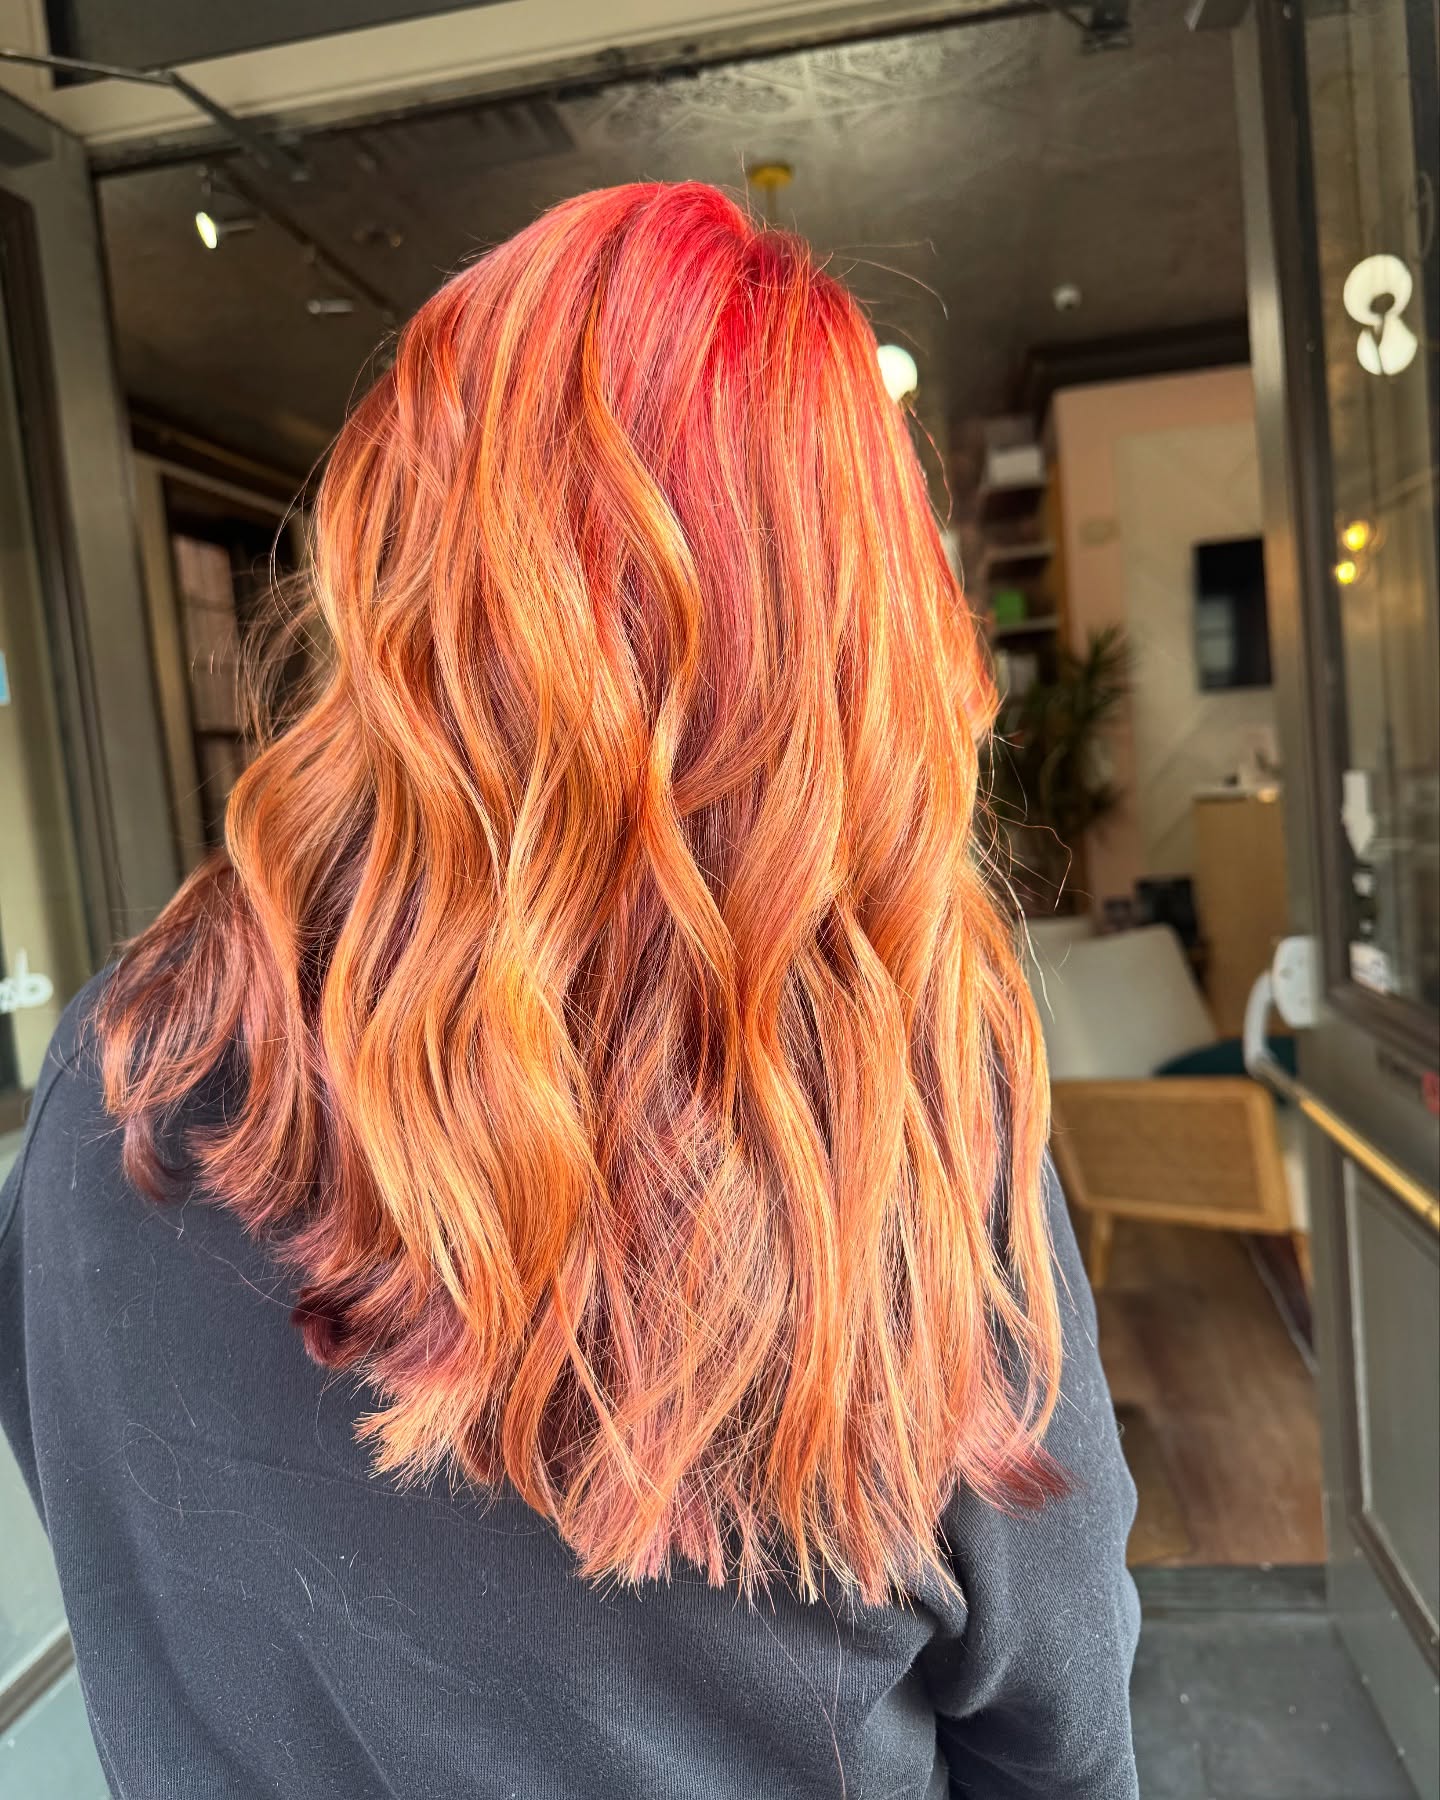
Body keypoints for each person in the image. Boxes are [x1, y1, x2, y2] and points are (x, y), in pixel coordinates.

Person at [0, 181, 1138, 1799]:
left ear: (391, 572)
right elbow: (1059, 1743)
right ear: (858, 636)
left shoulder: (119, 1077)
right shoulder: (897, 1139)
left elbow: (115, 1547)